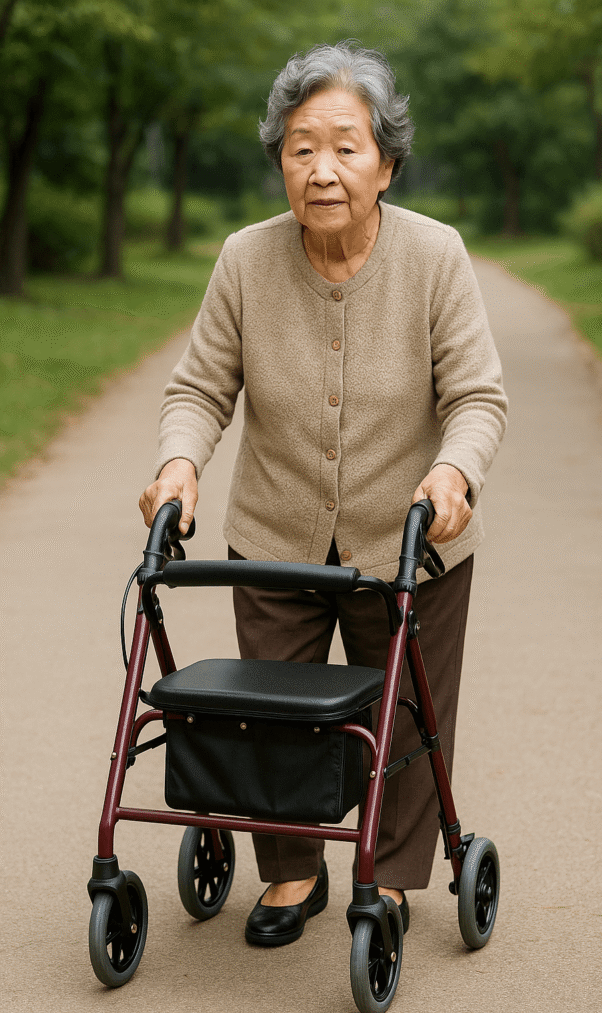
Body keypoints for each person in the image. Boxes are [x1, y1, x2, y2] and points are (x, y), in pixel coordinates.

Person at [140, 40, 507, 947]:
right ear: (279, 162)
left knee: (407, 719)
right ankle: (292, 874)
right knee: (273, 716)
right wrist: (179, 464)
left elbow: (475, 396)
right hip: (275, 533)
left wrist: (454, 473)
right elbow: (199, 388)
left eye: (346, 146)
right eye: (301, 148)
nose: (323, 170)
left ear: (385, 161)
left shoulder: (434, 256)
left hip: (411, 537)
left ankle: (383, 876)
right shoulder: (245, 260)